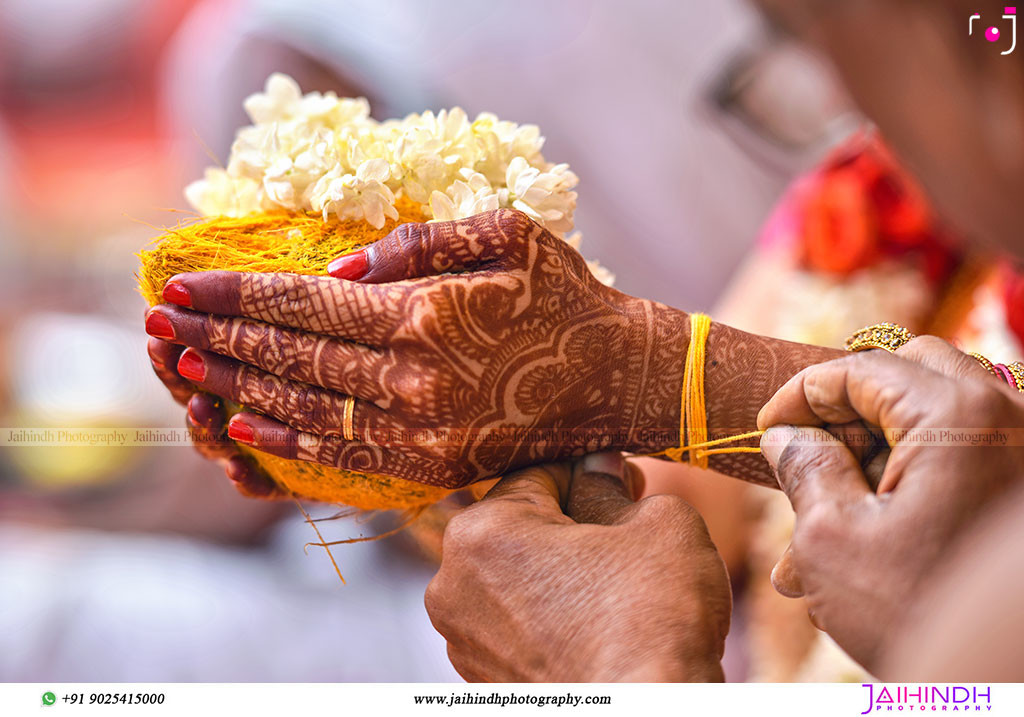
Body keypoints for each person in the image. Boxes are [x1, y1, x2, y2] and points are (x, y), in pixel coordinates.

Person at [146, 0, 1024, 681]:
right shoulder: (877, 200)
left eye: (833, 55)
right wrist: (530, 418)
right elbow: (699, 506)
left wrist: (619, 671)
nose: (844, 108)